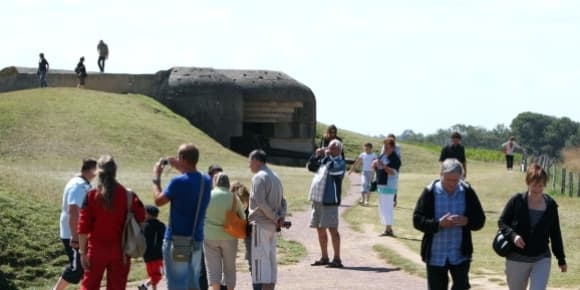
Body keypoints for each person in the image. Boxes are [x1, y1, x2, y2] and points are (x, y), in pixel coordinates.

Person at [413, 158, 486, 290]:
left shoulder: (467, 192)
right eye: (448, 180)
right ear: (440, 175)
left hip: (460, 255)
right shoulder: (430, 192)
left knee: (462, 287)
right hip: (436, 255)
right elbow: (417, 220)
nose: (452, 184)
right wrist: (438, 224)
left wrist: (467, 221)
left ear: (461, 177)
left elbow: (480, 220)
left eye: (456, 180)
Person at [78, 155, 146, 290]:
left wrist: (82, 252)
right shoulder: (128, 195)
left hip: (96, 250)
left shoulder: (91, 195)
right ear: (115, 171)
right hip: (121, 251)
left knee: (89, 286)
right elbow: (142, 219)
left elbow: (83, 227)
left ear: (98, 172)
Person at [498, 163, 567, 290]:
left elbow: (555, 234)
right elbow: (502, 222)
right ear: (528, 182)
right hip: (516, 258)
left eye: (541, 185)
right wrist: (513, 236)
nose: (537, 189)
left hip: (541, 257)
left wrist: (561, 259)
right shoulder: (516, 201)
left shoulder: (551, 206)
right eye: (534, 185)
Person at [152, 143, 211, 290]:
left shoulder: (177, 182)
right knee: (192, 284)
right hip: (196, 240)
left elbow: (159, 201)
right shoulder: (206, 180)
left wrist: (156, 178)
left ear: (182, 158)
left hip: (176, 241)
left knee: (177, 284)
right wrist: (181, 166)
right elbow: (191, 178)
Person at [52, 159, 97, 290]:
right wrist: (76, 237)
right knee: (77, 268)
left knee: (85, 267)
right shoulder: (78, 185)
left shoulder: (83, 184)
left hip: (80, 233)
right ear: (92, 170)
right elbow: (73, 210)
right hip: (74, 234)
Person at [248, 149, 287, 290]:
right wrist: (280, 217)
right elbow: (283, 201)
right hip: (272, 226)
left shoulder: (259, 177)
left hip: (261, 225)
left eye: (250, 161)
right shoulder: (275, 176)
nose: (249, 165)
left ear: (256, 161)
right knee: (270, 263)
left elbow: (260, 203)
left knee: (261, 265)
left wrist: (277, 218)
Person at [307, 139, 346, 268]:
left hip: (329, 201)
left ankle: (337, 259)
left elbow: (333, 169)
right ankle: (324, 257)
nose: (328, 150)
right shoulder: (325, 159)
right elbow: (311, 167)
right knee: (319, 228)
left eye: (331, 148)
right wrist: (317, 155)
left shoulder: (340, 162)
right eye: (328, 147)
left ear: (338, 150)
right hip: (318, 199)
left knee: (332, 229)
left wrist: (326, 155)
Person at [204, 173, 245, 290]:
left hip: (210, 236)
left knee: (213, 269)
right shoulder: (233, 198)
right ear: (228, 183)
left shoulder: (208, 195)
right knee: (230, 268)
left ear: (216, 183)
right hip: (230, 236)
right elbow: (242, 217)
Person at [231, 181, 260, 290]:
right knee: (254, 266)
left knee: (255, 266)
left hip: (254, 236)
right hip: (250, 236)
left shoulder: (250, 203)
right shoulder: (249, 202)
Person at [373, 138, 401, 236]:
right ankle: (387, 228)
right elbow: (375, 167)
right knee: (382, 207)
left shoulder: (395, 158)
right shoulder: (383, 155)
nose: (385, 149)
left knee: (388, 207)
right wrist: (374, 165)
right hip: (381, 184)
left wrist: (383, 166)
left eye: (387, 147)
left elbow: (392, 173)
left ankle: (389, 229)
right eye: (384, 147)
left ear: (392, 148)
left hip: (389, 186)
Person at [138, 205, 166, 290]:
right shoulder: (160, 225)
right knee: (158, 275)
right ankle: (145, 285)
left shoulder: (143, 226)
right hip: (157, 255)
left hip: (146, 254)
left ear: (148, 214)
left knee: (152, 274)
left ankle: (153, 288)